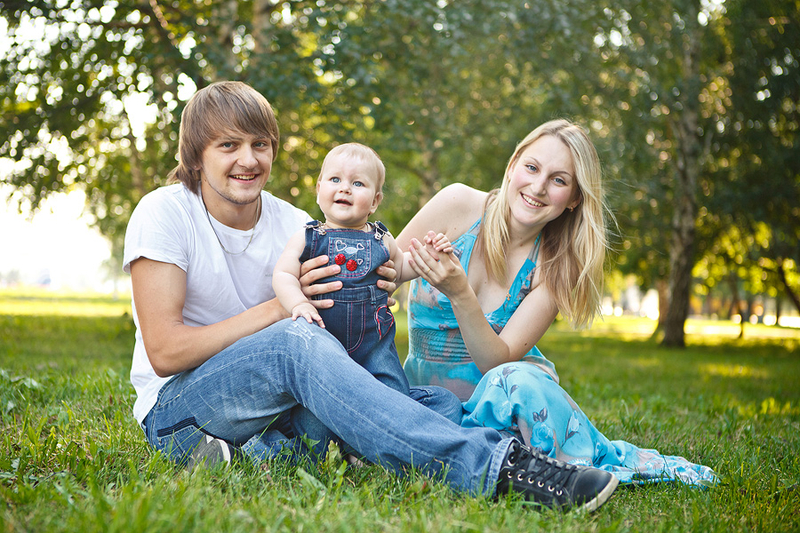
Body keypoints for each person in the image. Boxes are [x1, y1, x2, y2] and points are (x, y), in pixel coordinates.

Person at [123, 81, 619, 512]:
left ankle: (269, 452)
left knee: (434, 403)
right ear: (196, 156)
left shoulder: (297, 223)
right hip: (180, 409)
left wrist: (376, 291)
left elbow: (372, 283)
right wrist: (281, 308)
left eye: (260, 144)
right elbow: (165, 352)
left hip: (277, 408)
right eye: (228, 145)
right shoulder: (166, 212)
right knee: (296, 340)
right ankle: (499, 470)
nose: (248, 160)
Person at [398, 119, 718, 486]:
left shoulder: (556, 267)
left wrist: (459, 293)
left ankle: (529, 458)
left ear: (575, 198)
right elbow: (382, 266)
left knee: (514, 378)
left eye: (559, 180)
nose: (538, 187)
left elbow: (495, 363)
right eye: (532, 168)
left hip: (505, 409)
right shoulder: (458, 204)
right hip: (429, 404)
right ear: (513, 165)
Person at [273, 142, 451, 395]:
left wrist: (429, 255)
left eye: (358, 183)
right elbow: (283, 274)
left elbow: (402, 268)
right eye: (335, 179)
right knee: (319, 396)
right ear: (319, 190)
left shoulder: (382, 238)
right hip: (323, 340)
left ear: (375, 201)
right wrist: (299, 303)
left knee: (394, 392)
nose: (345, 188)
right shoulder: (307, 237)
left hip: (374, 345)